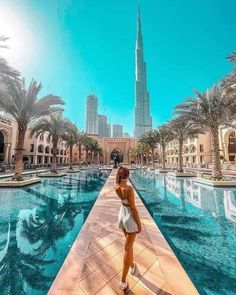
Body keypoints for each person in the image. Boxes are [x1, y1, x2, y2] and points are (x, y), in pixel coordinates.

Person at [115, 166, 142, 290]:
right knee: (127, 248)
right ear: (127, 175)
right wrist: (139, 223)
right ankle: (123, 281)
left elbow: (124, 202)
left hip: (122, 215)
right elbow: (133, 208)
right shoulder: (129, 189)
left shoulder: (116, 187)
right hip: (129, 218)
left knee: (129, 246)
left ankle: (132, 266)